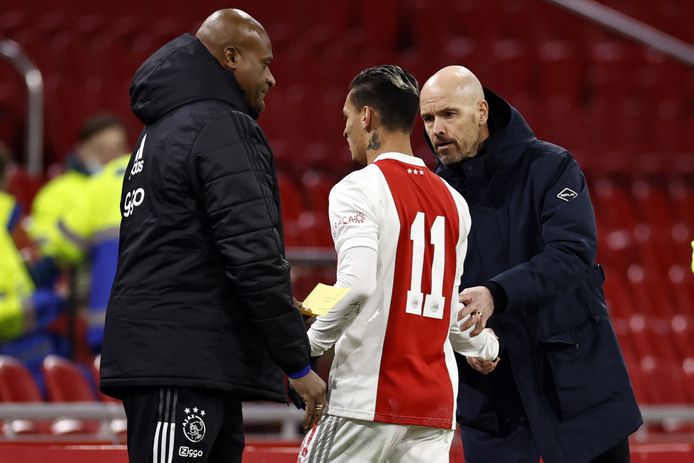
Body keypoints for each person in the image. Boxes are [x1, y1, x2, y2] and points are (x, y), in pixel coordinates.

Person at [99, 9, 326, 463]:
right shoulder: (219, 125)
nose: (273, 78)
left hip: (193, 361)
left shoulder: (160, 130)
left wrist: (274, 318)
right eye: (264, 64)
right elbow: (252, 255)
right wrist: (297, 363)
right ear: (230, 57)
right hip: (181, 365)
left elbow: (195, 252)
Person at [419, 65, 642, 463]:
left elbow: (572, 254)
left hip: (574, 386)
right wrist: (462, 341)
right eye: (429, 118)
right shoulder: (434, 194)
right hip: (492, 400)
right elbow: (433, 285)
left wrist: (496, 294)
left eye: (448, 114)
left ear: (482, 112)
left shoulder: (551, 167)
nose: (436, 129)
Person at [298, 65, 499, 463]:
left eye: (347, 118)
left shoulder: (357, 188)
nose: (345, 131)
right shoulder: (453, 201)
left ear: (367, 116)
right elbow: (440, 301)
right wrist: (485, 345)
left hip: (366, 400)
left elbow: (356, 283)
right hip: (433, 409)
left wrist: (304, 347)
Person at [47, 153, 130, 353]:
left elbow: (64, 244)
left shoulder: (100, 180)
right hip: (162, 322)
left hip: (106, 322)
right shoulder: (165, 166)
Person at [0, 143, 66, 395]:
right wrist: (52, 299)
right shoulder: (8, 215)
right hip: (20, 346)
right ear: (7, 176)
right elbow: (32, 270)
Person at [29, 113, 128, 251]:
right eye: (100, 150)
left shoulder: (135, 182)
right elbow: (43, 242)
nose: (110, 159)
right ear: (81, 150)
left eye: (117, 149)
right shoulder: (57, 192)